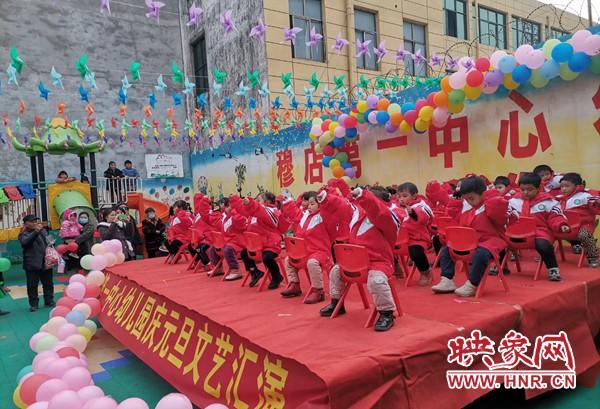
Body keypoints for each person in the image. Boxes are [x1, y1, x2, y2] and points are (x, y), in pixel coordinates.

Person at [319, 185, 401, 332]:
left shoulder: (388, 217)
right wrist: (326, 199)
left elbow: (378, 211)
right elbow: (342, 205)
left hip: (379, 262)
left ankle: (386, 313)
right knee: (335, 271)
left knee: (376, 280)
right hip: (355, 262)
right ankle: (337, 302)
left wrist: (365, 196)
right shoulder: (357, 214)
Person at [431, 177, 510, 297]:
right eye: (466, 199)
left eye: (471, 198)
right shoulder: (468, 207)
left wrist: (490, 195)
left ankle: (472, 284)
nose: (469, 201)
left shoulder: (492, 204)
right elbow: (455, 218)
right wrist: (456, 201)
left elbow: (500, 212)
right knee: (447, 248)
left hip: (491, 240)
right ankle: (447, 279)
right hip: (471, 241)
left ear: (483, 193)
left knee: (481, 253)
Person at [509, 173, 570, 281]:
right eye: (522, 189)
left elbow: (556, 216)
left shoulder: (549, 202)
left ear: (538, 188)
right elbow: (507, 216)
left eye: (529, 189)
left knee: (543, 245)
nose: (525, 192)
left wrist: (561, 224)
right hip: (518, 232)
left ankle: (553, 268)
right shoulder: (513, 201)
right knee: (500, 240)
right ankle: (500, 266)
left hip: (539, 232)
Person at [279, 191, 336, 303]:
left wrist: (326, 198)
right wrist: (288, 201)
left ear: (320, 204)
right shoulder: (304, 215)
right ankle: (294, 285)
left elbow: (332, 208)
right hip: (305, 252)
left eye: (312, 204)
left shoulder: (323, 217)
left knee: (312, 263)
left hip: (320, 252)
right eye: (308, 204)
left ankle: (318, 291)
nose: (309, 206)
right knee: (288, 260)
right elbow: (294, 213)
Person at [235, 192, 284, 289]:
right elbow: (243, 210)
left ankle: (276, 277)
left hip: (271, 244)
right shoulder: (256, 211)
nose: (256, 202)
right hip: (257, 245)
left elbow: (261, 212)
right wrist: (235, 201)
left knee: (267, 258)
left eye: (259, 200)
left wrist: (251, 204)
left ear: (267, 201)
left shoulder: (271, 211)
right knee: (244, 253)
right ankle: (255, 272)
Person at [557, 172, 600, 267]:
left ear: (577, 186)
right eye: (562, 186)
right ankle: (545, 255)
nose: (563, 189)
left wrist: (597, 203)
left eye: (567, 186)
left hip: (584, 225)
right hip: (566, 226)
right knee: (546, 231)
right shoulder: (558, 198)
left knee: (584, 235)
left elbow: (596, 207)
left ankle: (593, 257)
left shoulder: (586, 196)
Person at [397, 182, 434, 285]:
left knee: (416, 253)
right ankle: (395, 267)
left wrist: (413, 213)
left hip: (418, 238)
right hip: (401, 239)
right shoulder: (398, 207)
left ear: (414, 196)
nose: (401, 199)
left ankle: (425, 271)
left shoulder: (421, 205)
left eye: (405, 196)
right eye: (399, 196)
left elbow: (426, 217)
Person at [19, 215, 55, 312]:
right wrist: (35, 232)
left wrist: (51, 243)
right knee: (32, 285)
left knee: (48, 283)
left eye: (36, 221)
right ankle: (34, 304)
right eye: (32, 221)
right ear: (26, 224)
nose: (35, 223)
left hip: (46, 261)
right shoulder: (23, 233)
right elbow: (25, 242)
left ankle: (49, 300)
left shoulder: (43, 231)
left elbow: (50, 242)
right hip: (32, 263)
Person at [214, 196, 247, 281]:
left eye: (228, 206)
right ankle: (218, 268)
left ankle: (236, 270)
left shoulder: (237, 216)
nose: (226, 208)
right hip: (229, 240)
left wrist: (234, 214)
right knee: (213, 248)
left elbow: (242, 226)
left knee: (227, 249)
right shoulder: (225, 216)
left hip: (238, 242)